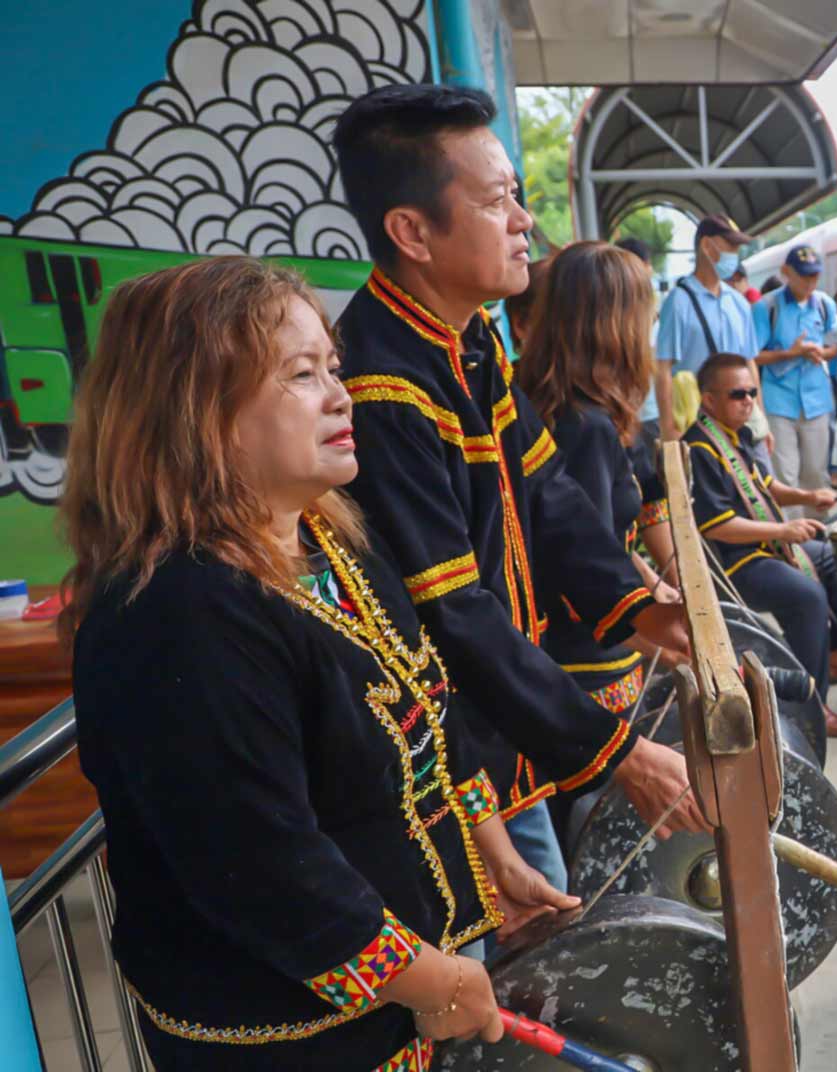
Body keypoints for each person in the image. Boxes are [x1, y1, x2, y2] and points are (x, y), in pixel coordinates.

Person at [63, 256, 579, 1069]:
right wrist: (423, 978)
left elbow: (430, 705)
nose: (341, 394)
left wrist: (495, 857)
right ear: (199, 409)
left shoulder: (330, 539)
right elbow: (260, 862)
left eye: (331, 367)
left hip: (402, 997)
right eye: (302, 374)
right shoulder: (176, 613)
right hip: (292, 1039)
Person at [331, 85, 704, 897]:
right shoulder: (384, 389)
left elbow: (548, 489)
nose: (524, 220)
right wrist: (619, 753)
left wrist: (640, 605)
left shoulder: (467, 344)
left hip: (501, 730)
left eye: (518, 197)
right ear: (411, 233)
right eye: (499, 200)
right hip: (449, 758)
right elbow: (453, 611)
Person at [514, 242, 681, 836]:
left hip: (574, 656)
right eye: (645, 317)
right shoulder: (583, 427)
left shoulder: (553, 408)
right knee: (595, 839)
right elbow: (582, 564)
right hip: (586, 666)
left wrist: (654, 583)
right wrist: (655, 615)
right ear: (614, 325)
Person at [688, 353, 837, 737]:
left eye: (751, 391)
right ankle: (810, 706)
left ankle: (832, 654)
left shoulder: (738, 435)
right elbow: (719, 526)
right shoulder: (700, 448)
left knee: (831, 556)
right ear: (709, 400)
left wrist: (807, 495)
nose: (748, 400)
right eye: (737, 394)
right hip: (735, 562)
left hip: (764, 547)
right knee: (808, 597)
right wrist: (782, 533)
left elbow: (763, 488)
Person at [653, 214, 771, 465]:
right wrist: (668, 429)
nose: (735, 254)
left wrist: (761, 417)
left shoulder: (739, 303)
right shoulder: (678, 301)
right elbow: (663, 368)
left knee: (760, 488)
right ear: (706, 246)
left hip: (743, 421)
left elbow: (750, 363)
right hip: (700, 424)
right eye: (730, 246)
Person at [755, 244, 837, 519]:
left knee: (816, 473)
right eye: (803, 276)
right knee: (786, 474)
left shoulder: (825, 304)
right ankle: (793, 540)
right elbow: (753, 356)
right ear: (786, 272)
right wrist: (790, 353)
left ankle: (819, 536)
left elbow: (835, 343)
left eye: (815, 276)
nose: (810, 283)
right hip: (779, 401)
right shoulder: (767, 307)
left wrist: (819, 352)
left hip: (817, 401)